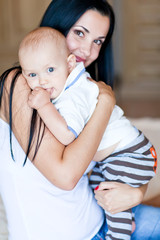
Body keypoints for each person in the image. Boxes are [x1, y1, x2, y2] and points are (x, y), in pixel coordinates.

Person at [0, 0, 160, 239]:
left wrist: (136, 194)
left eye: (98, 41)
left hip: (101, 222)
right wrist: (105, 104)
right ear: (58, 26)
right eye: (79, 33)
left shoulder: (77, 93)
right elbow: (66, 176)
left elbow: (120, 158)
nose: (87, 50)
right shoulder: (20, 85)